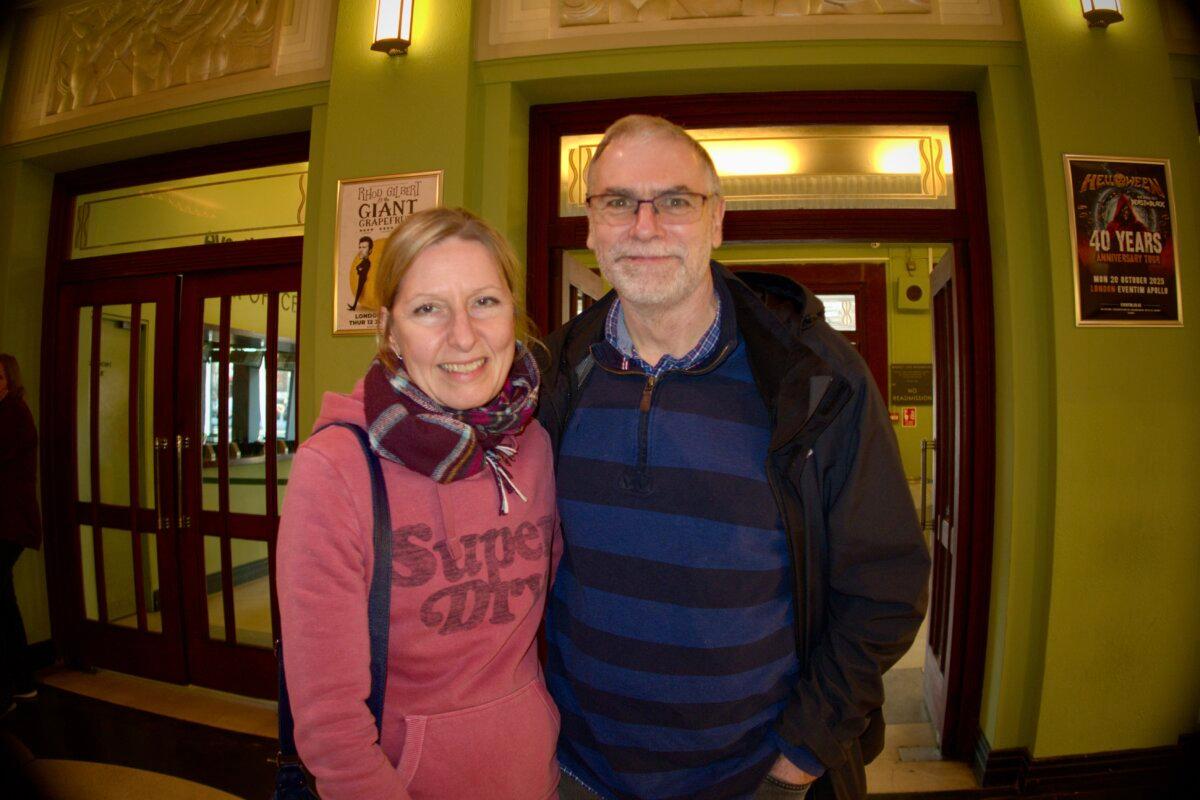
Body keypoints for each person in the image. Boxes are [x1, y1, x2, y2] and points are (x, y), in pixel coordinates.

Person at [537, 116, 930, 800]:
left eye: (676, 202)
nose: (645, 226)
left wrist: (798, 760)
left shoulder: (815, 380)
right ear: (592, 226)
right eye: (618, 202)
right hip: (578, 774)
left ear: (717, 220)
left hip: (754, 780)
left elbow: (886, 589)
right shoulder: (550, 375)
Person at [278, 208, 562, 800]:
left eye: (484, 301)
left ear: (514, 312)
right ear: (389, 331)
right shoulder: (335, 470)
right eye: (428, 308)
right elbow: (330, 722)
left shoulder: (533, 444)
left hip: (539, 779)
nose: (463, 336)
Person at [0, 353, 41, 716]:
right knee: (5, 601)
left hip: (9, 523)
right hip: (10, 523)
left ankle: (12, 688)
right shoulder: (12, 414)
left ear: (10, 380)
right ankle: (21, 681)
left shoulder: (12, 415)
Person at [348, 235, 374, 311]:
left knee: (359, 292)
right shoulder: (363, 261)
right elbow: (358, 267)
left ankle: (354, 306)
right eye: (360, 247)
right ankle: (354, 306)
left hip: (363, 279)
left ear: (370, 251)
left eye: (364, 247)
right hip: (361, 278)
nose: (361, 250)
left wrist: (359, 270)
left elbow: (361, 270)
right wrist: (359, 269)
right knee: (358, 293)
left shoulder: (367, 262)